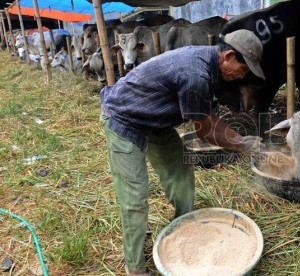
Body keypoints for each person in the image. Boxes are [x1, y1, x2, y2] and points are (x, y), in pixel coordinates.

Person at [100, 29, 266, 276]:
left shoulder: (208, 67)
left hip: (155, 120)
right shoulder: (195, 74)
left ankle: (185, 229)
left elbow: (210, 118)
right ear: (229, 56)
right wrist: (242, 144)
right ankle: (134, 268)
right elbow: (206, 132)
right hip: (124, 118)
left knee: (180, 171)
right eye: (244, 69)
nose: (242, 76)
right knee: (135, 196)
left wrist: (242, 139)